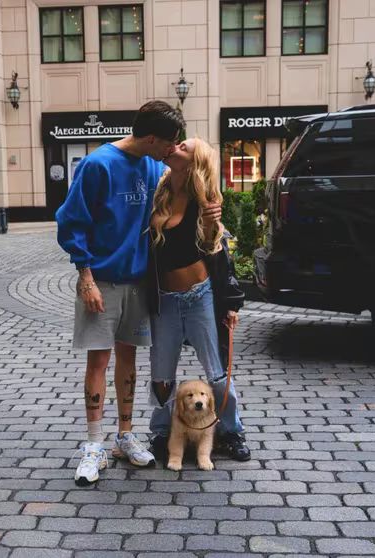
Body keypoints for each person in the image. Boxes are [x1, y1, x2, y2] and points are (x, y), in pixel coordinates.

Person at [56, 101, 221, 485]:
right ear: (151, 139)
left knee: (128, 361)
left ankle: (125, 436)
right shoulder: (98, 165)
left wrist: (213, 211)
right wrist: (85, 275)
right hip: (103, 281)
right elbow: (70, 220)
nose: (171, 150)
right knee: (98, 361)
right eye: (169, 143)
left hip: (140, 282)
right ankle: (94, 445)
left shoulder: (153, 166)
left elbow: (187, 185)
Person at [145, 138, 251, 463]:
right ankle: (162, 434)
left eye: (184, 147)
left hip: (199, 296)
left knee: (217, 372)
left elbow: (217, 252)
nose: (175, 147)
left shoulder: (205, 199)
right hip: (164, 299)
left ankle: (231, 432)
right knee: (161, 374)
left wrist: (230, 302)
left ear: (193, 161)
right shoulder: (158, 191)